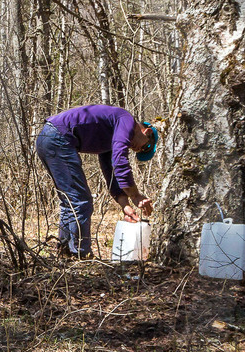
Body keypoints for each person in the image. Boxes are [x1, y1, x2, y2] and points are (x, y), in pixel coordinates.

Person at [35, 104, 158, 258]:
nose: (137, 150)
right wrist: (135, 195)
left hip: (48, 137)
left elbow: (111, 171)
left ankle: (66, 253)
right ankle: (80, 255)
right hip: (58, 136)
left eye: (140, 152)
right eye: (144, 147)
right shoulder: (126, 120)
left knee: (71, 200)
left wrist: (125, 205)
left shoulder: (115, 134)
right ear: (146, 131)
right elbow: (120, 162)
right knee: (80, 201)